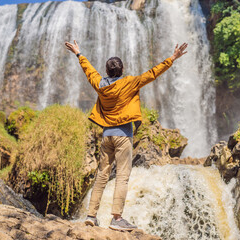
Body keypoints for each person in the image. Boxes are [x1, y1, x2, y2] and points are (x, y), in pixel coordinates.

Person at [65, 40, 188, 231]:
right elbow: (153, 73)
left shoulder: (100, 84)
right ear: (122, 70)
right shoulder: (130, 82)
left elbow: (89, 71)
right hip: (123, 135)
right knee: (122, 176)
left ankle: (91, 216)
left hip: (107, 136)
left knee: (101, 175)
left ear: (106, 71)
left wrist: (79, 54)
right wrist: (172, 58)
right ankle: (117, 218)